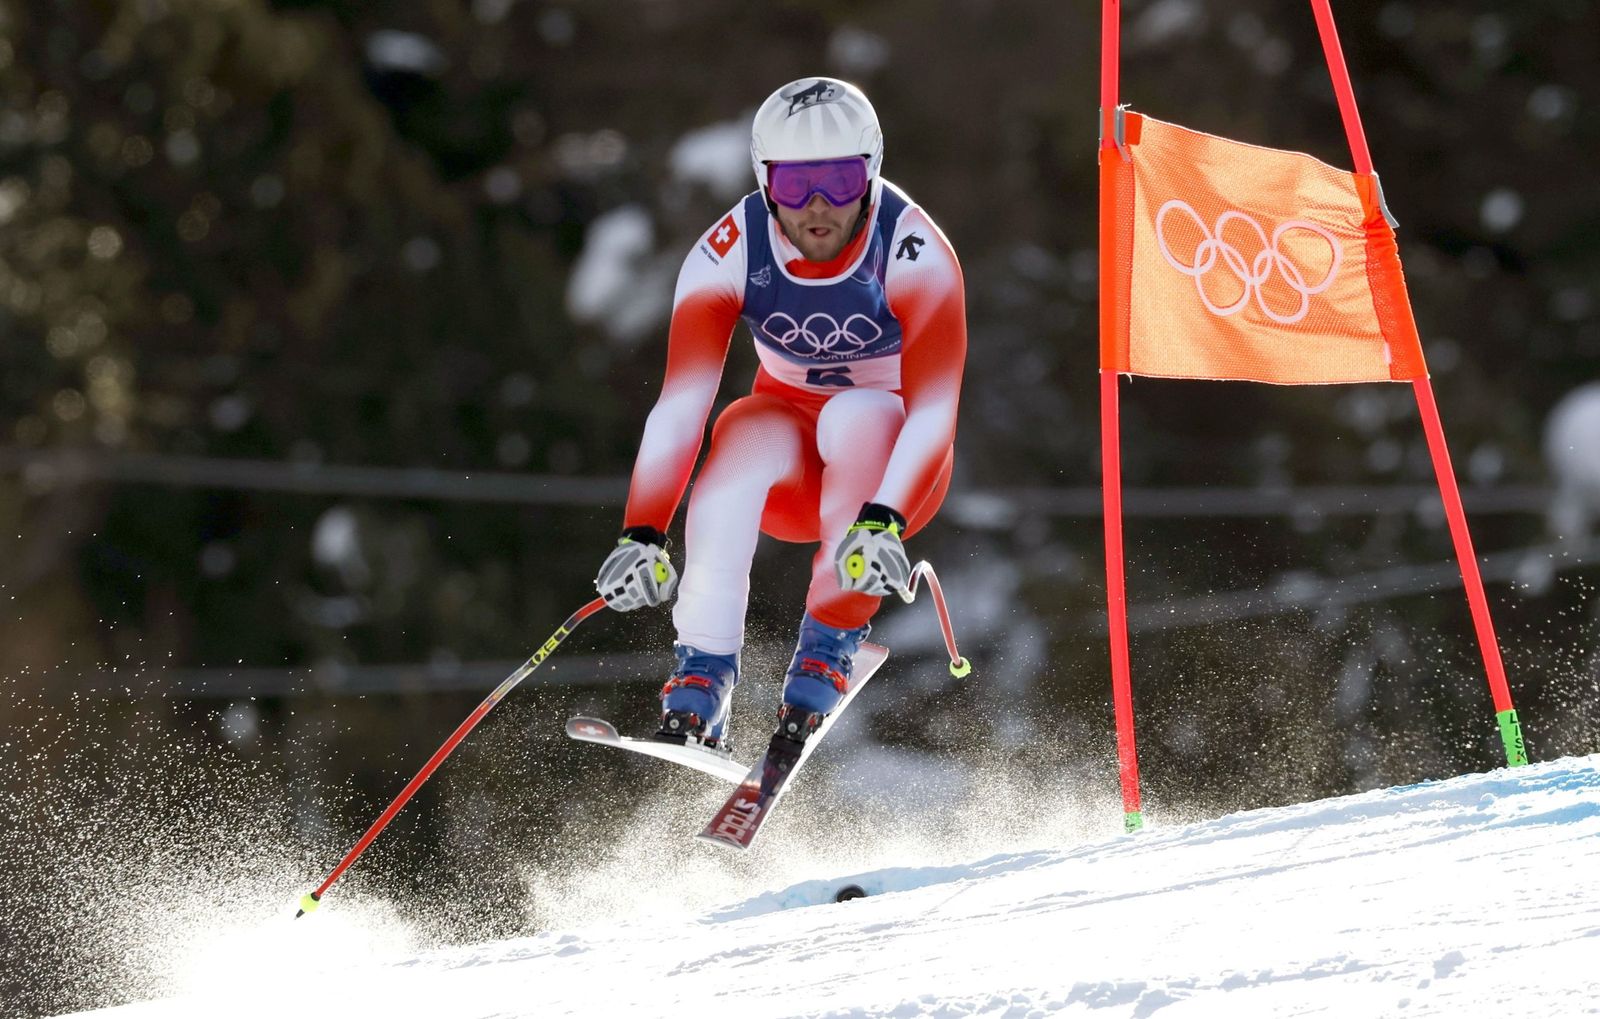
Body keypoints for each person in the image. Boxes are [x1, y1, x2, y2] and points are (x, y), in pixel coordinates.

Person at [594, 76, 967, 750]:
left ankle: (828, 643)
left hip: (891, 474)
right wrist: (641, 530)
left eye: (839, 182)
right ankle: (702, 676)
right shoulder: (732, 248)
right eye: (795, 186)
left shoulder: (914, 248)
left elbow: (936, 410)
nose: (817, 207)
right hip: (793, 472)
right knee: (741, 428)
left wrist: (885, 516)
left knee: (858, 413)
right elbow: (681, 405)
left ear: (872, 174)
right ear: (765, 182)